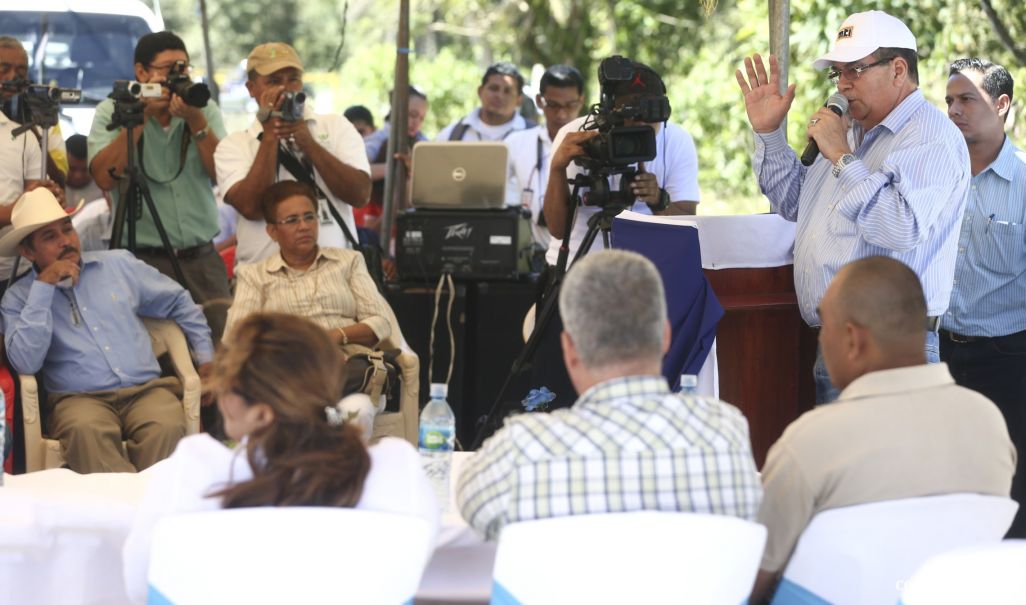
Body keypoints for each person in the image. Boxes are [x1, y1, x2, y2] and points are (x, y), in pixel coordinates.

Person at [735, 10, 971, 404]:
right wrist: (768, 133)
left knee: (885, 467)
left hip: (888, 349)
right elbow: (793, 203)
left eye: (855, 71)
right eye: (837, 74)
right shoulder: (851, 130)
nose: (842, 86)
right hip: (838, 341)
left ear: (898, 70)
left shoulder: (929, 136)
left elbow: (898, 227)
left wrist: (843, 158)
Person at [122, 311, 437, 604]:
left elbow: (141, 586)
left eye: (226, 385)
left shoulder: (193, 475)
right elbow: (409, 571)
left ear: (258, 412)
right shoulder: (397, 472)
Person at [750, 256, 1016, 603]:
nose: (821, 340)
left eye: (824, 326)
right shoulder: (989, 425)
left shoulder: (813, 441)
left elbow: (754, 574)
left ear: (851, 339)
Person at [456, 250, 761, 540]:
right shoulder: (725, 432)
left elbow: (469, 512)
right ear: (665, 337)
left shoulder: (521, 451)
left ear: (570, 350)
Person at [0, 188, 214, 474]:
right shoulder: (19, 298)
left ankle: (149, 510)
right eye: (50, 237)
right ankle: (121, 514)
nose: (66, 241)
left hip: (146, 391)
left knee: (167, 424)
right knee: (86, 432)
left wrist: (206, 358)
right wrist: (43, 287)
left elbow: (179, 301)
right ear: (28, 252)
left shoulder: (118, 265)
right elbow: (26, 362)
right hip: (78, 399)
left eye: (67, 229)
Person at [88, 31, 232, 340]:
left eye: (184, 68)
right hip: (144, 259)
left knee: (222, 349)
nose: (179, 76)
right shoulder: (112, 110)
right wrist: (140, 118)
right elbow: (103, 176)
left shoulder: (203, 110)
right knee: (159, 355)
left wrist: (197, 123)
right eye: (170, 69)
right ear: (142, 72)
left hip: (201, 259)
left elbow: (224, 175)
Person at [223, 181, 397, 433]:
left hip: (348, 373)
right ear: (272, 231)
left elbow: (381, 321)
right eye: (292, 220)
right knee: (296, 412)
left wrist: (333, 336)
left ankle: (338, 465)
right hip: (289, 375)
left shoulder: (348, 262)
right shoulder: (255, 276)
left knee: (355, 413)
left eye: (309, 217)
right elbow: (235, 338)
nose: (304, 226)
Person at [941, 58, 1026, 538]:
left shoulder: (1024, 185)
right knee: (950, 488)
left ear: (1001, 104)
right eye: (949, 100)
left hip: (1008, 362)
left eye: (966, 99)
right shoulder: (936, 176)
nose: (954, 110)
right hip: (941, 358)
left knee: (1010, 493)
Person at [216, 42, 371, 267]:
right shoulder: (234, 145)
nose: (286, 89)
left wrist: (309, 143)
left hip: (336, 276)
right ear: (251, 88)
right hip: (265, 281)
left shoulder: (335, 126)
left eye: (293, 79)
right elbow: (250, 207)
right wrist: (270, 135)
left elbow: (360, 195)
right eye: (274, 81)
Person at [543, 58, 700, 269]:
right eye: (631, 114)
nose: (641, 124)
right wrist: (557, 168)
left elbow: (687, 225)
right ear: (610, 110)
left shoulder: (677, 140)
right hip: (580, 268)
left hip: (646, 270)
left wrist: (658, 199)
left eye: (650, 113)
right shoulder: (577, 136)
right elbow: (559, 230)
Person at [505, 65, 584, 254]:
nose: (562, 114)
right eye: (554, 105)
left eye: (570, 105)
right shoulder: (515, 143)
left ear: (581, 101)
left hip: (575, 257)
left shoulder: (594, 145)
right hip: (528, 255)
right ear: (540, 101)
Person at [0, 35, 68, 188]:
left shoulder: (45, 115)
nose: (12, 77)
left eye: (20, 71)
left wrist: (33, 131)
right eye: (4, 69)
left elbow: (60, 182)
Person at [360, 86, 430, 231]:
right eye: (412, 115)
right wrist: (395, 168)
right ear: (397, 111)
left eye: (421, 118)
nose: (416, 122)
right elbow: (357, 170)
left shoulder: (423, 143)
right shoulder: (377, 140)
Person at [436, 62, 532, 141]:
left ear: (519, 99)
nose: (499, 96)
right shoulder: (451, 135)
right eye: (494, 88)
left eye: (507, 91)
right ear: (480, 91)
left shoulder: (534, 137)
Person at [63, 134, 103, 208]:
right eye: (72, 168)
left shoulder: (105, 189)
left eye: (85, 170)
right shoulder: (52, 186)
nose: (78, 176)